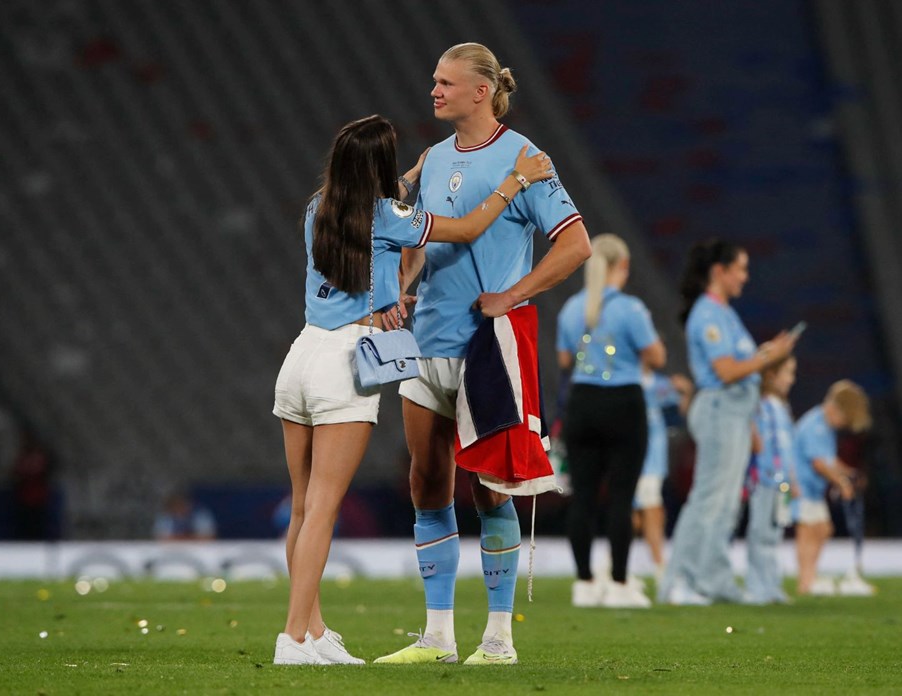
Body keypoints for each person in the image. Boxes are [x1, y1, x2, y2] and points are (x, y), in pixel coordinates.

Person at [271, 114, 555, 666]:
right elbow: (469, 227)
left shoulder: (319, 206)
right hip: (345, 359)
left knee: (304, 506)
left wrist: (411, 175)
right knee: (324, 509)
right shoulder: (387, 213)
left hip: (301, 353)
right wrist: (514, 181)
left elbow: (372, 201)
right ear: (378, 168)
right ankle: (292, 639)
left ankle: (313, 629)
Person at [376, 43, 591, 665]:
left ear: (480, 91)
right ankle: (437, 635)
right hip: (427, 345)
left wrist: (514, 294)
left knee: (492, 490)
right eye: (433, 80)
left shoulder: (525, 160)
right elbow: (419, 244)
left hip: (485, 350)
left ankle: (499, 637)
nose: (434, 90)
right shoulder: (436, 158)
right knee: (426, 483)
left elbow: (575, 244)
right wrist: (401, 291)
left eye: (445, 82)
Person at [657, 239, 797, 606]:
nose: (745, 278)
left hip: (735, 412)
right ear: (719, 272)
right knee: (708, 499)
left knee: (726, 504)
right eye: (741, 269)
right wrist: (770, 358)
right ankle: (679, 582)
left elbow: (739, 368)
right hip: (720, 408)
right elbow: (726, 370)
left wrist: (766, 355)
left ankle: (712, 580)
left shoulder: (725, 313)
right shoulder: (708, 314)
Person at [556, 234, 665, 609]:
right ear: (624, 266)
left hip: (582, 403)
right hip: (623, 403)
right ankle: (619, 583)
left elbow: (565, 361)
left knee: (582, 498)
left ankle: (584, 583)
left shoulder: (572, 308)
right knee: (621, 497)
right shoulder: (631, 310)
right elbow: (658, 356)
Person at [792, 379, 872, 596]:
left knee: (823, 529)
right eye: (844, 419)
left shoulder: (824, 427)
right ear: (836, 409)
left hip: (812, 491)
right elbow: (818, 464)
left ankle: (810, 578)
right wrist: (841, 483)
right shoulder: (815, 425)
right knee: (808, 531)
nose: (843, 424)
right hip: (801, 488)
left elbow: (830, 460)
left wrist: (849, 473)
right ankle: (806, 581)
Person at [744, 355, 799, 604]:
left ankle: (772, 585)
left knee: (774, 535)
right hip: (763, 478)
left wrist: (793, 479)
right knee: (759, 533)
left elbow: (789, 449)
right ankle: (756, 587)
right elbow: (756, 443)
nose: (792, 379)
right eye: (787, 373)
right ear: (771, 376)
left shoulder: (783, 408)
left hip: (782, 483)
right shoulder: (760, 406)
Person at [633, 369, 693, 588]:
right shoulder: (626, 377)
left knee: (642, 514)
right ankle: (660, 568)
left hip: (654, 460)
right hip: (635, 457)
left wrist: (686, 393)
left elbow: (678, 414)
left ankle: (610, 567)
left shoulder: (660, 384)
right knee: (652, 511)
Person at [153, 491, 217, 541]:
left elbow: (208, 538)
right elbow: (162, 539)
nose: (180, 507)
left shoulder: (201, 514)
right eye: (176, 504)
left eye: (182, 504)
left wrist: (179, 538)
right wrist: (192, 538)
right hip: (172, 552)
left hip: (199, 552)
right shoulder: (166, 517)